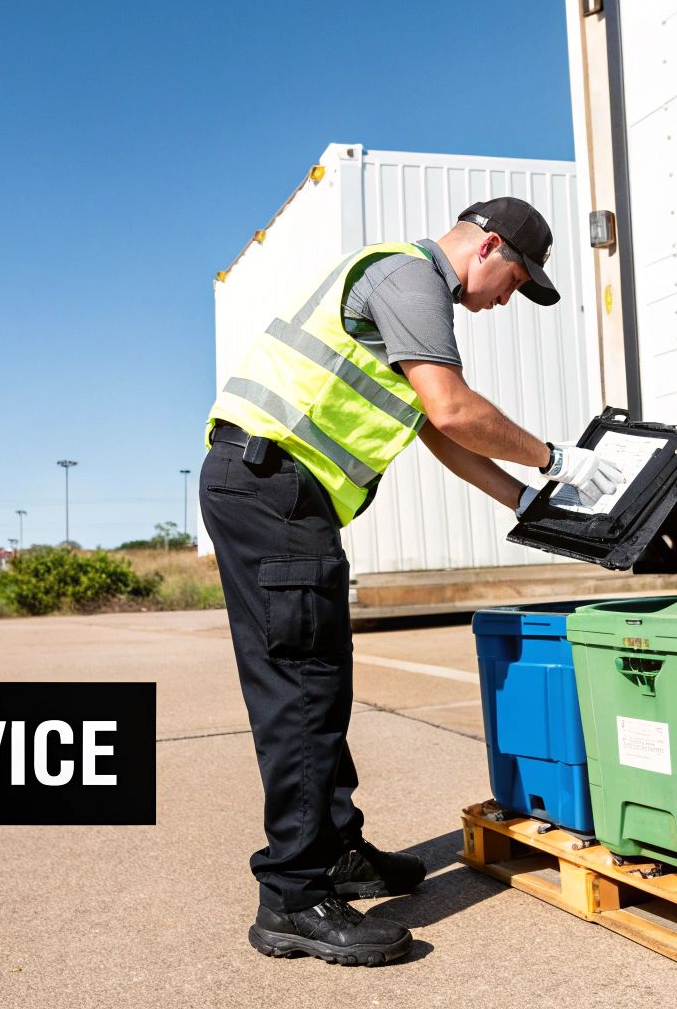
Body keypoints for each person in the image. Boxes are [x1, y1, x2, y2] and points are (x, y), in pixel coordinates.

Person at [199, 197, 624, 966]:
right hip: (272, 490)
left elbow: (436, 431)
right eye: (514, 282)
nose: (503, 302)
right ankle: (293, 897)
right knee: (303, 688)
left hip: (280, 493)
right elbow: (455, 410)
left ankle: (337, 853)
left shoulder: (402, 290)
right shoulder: (407, 277)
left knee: (321, 679)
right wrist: (555, 460)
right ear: (489, 246)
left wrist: (527, 500)